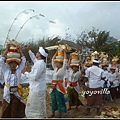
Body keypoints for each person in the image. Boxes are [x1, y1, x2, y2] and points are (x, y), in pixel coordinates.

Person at [0, 45, 26, 118]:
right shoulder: (6, 70)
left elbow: (23, 60)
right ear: (9, 64)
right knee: (5, 110)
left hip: (16, 93)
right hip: (7, 93)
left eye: (15, 63)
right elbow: (1, 60)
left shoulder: (18, 71)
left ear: (17, 64)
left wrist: (20, 50)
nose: (13, 65)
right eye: (11, 63)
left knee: (14, 111)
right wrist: (6, 50)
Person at [24, 45, 48, 118]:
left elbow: (34, 77)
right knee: (37, 107)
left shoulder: (40, 64)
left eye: (37, 52)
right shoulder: (39, 62)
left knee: (33, 110)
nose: (36, 53)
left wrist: (26, 72)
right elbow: (34, 59)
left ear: (40, 54)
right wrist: (29, 50)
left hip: (36, 89)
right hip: (37, 88)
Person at [50, 48, 68, 118]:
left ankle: (60, 114)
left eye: (58, 63)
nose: (56, 64)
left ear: (61, 64)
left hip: (59, 87)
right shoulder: (55, 69)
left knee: (59, 100)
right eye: (56, 62)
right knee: (53, 100)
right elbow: (52, 60)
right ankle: (53, 113)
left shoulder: (63, 69)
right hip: (53, 87)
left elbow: (65, 61)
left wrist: (64, 53)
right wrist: (56, 52)